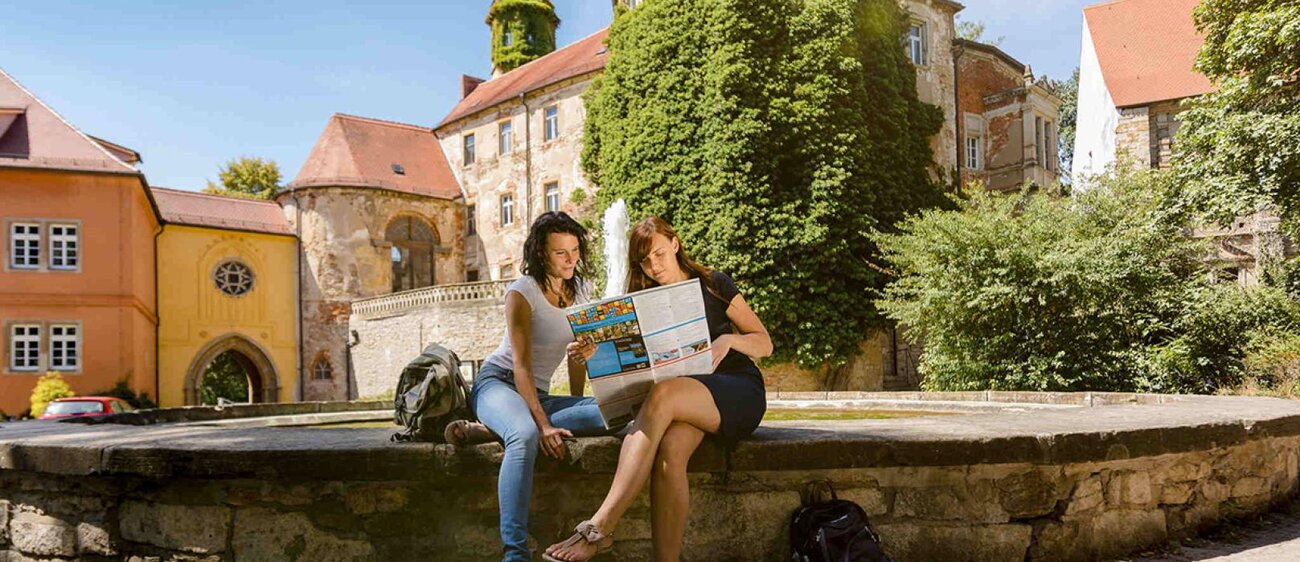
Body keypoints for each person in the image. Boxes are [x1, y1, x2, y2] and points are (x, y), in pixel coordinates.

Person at [544, 216, 773, 562]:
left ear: (675, 244)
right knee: (669, 453)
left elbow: (765, 343)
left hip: (734, 388)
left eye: (660, 254)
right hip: (684, 399)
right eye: (645, 261)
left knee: (664, 394)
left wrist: (727, 339)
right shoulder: (642, 299)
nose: (654, 266)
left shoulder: (713, 284)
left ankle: (600, 527)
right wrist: (590, 353)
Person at [452, 211, 619, 562]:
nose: (571, 258)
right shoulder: (522, 292)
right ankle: (515, 554)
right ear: (542, 254)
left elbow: (576, 355)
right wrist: (544, 425)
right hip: (499, 383)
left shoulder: (581, 289)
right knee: (525, 435)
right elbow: (521, 366)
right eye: (562, 252)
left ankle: (488, 429)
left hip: (536, 395)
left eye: (575, 250)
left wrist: (577, 397)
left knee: (616, 412)